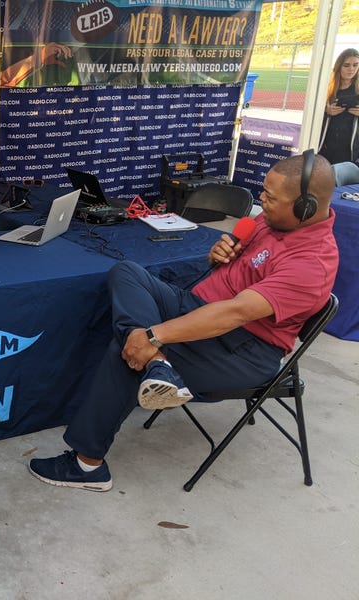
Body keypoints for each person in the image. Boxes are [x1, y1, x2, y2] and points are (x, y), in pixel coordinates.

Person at [27, 152, 338, 491]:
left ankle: (88, 467)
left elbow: (235, 313)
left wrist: (154, 335)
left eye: (271, 197)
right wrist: (220, 253)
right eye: (263, 191)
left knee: (128, 350)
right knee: (127, 272)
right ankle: (159, 366)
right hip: (201, 307)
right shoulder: (271, 221)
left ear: (306, 207)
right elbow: (237, 261)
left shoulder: (312, 264)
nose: (260, 201)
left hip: (242, 346)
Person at [318, 48, 359, 165]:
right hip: (326, 145)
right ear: (339, 66)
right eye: (347, 65)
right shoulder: (327, 88)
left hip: (349, 148)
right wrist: (326, 111)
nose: (351, 69)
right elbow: (313, 114)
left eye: (355, 65)